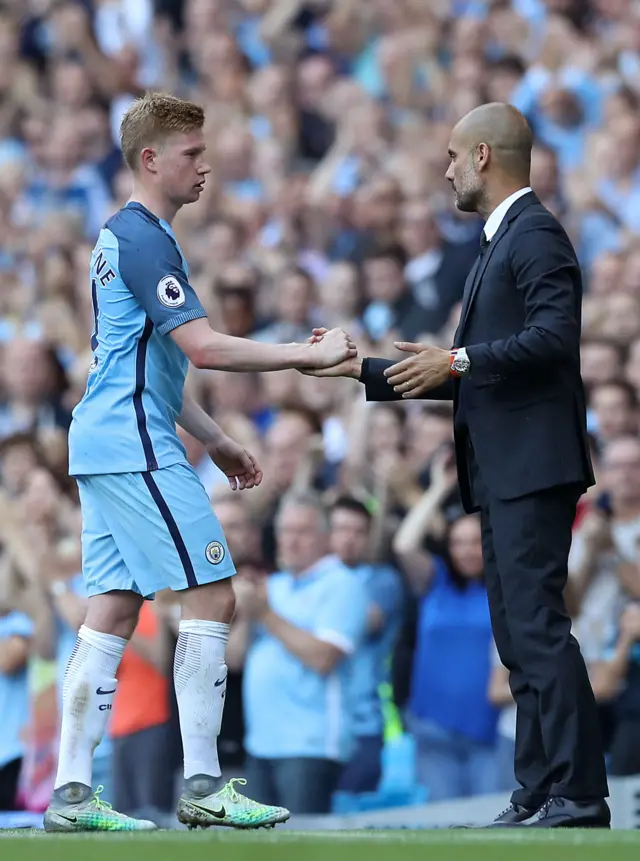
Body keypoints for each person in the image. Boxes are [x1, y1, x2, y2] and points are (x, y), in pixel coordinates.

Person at [43, 91, 356, 834]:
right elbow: (204, 347)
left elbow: (146, 363)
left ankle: (72, 792)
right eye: (191, 153)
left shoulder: (126, 237)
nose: (205, 165)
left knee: (112, 610)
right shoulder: (145, 239)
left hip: (108, 438)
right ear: (151, 159)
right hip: (133, 443)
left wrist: (213, 436)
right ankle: (205, 784)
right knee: (214, 592)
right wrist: (305, 356)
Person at [304, 102, 610, 829]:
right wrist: (362, 370)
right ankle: (538, 789)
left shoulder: (535, 234)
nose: (443, 169)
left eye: (449, 155)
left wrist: (460, 357)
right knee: (518, 635)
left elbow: (554, 337)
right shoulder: (499, 242)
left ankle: (580, 793)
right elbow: (468, 369)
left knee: (536, 628)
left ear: (481, 155)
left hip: (532, 468)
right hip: (506, 469)